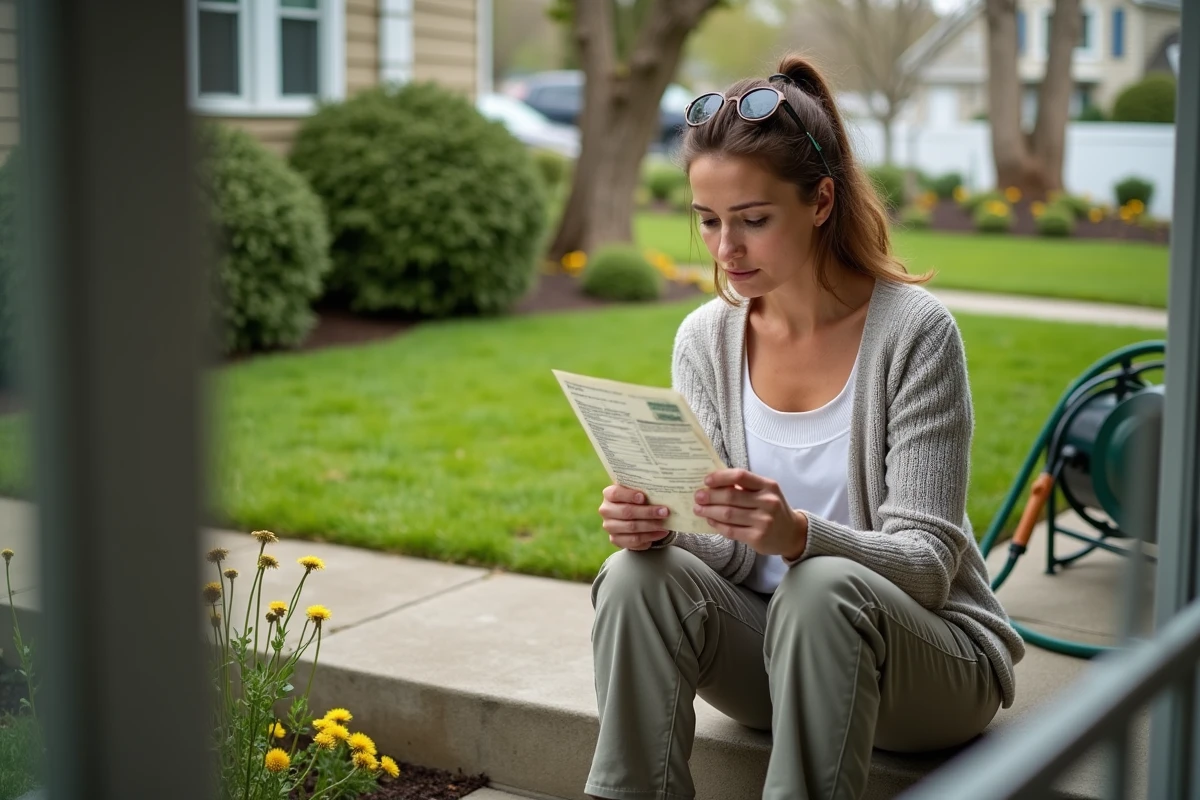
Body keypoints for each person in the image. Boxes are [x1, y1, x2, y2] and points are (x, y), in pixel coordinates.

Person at [584, 53, 1025, 800]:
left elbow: (925, 565)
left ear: (820, 202)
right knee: (636, 578)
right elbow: (724, 553)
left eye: (754, 220)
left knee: (819, 588)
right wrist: (663, 527)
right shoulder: (705, 338)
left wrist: (797, 535)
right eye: (710, 222)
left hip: (927, 669)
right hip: (774, 659)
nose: (726, 250)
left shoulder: (914, 334)